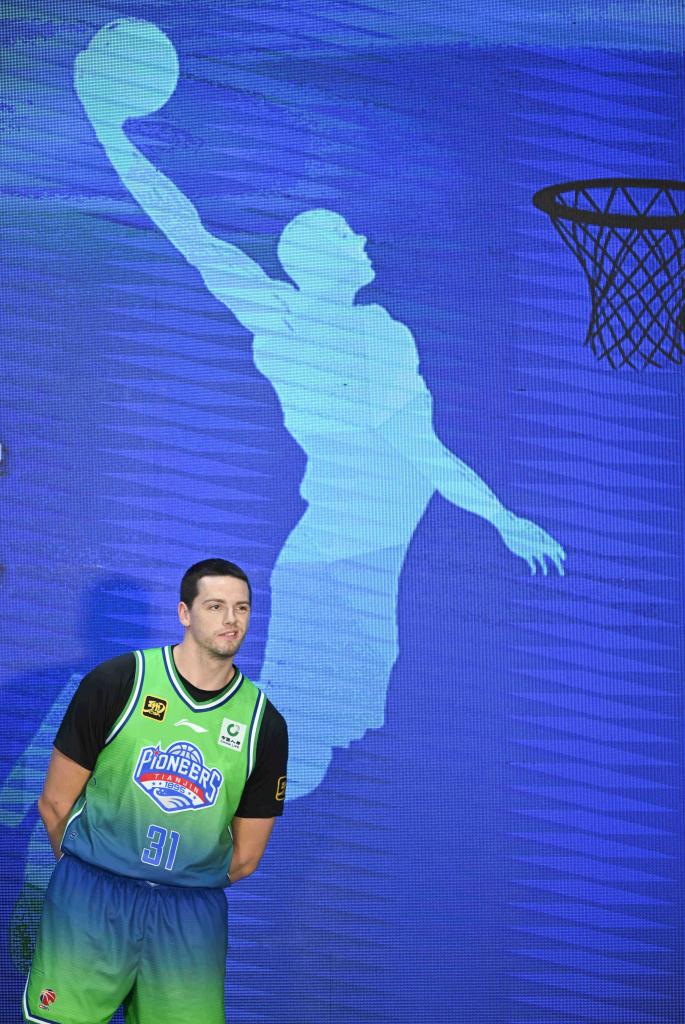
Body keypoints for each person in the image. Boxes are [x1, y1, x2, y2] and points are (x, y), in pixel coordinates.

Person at [74, 19, 565, 799]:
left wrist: (113, 137)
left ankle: (158, 780)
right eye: (345, 234)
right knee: (298, 759)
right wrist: (502, 518)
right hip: (346, 558)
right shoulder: (369, 334)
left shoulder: (284, 317)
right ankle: (146, 785)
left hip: (342, 554)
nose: (362, 238)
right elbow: (424, 452)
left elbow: (186, 226)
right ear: (326, 261)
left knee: (305, 751)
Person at [22, 557, 288, 1024]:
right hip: (91, 900)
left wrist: (182, 881)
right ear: (184, 612)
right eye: (215, 606)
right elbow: (55, 802)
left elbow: (246, 856)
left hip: (188, 919)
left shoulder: (263, 723)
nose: (231, 619)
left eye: (242, 608)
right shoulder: (118, 682)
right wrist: (98, 868)